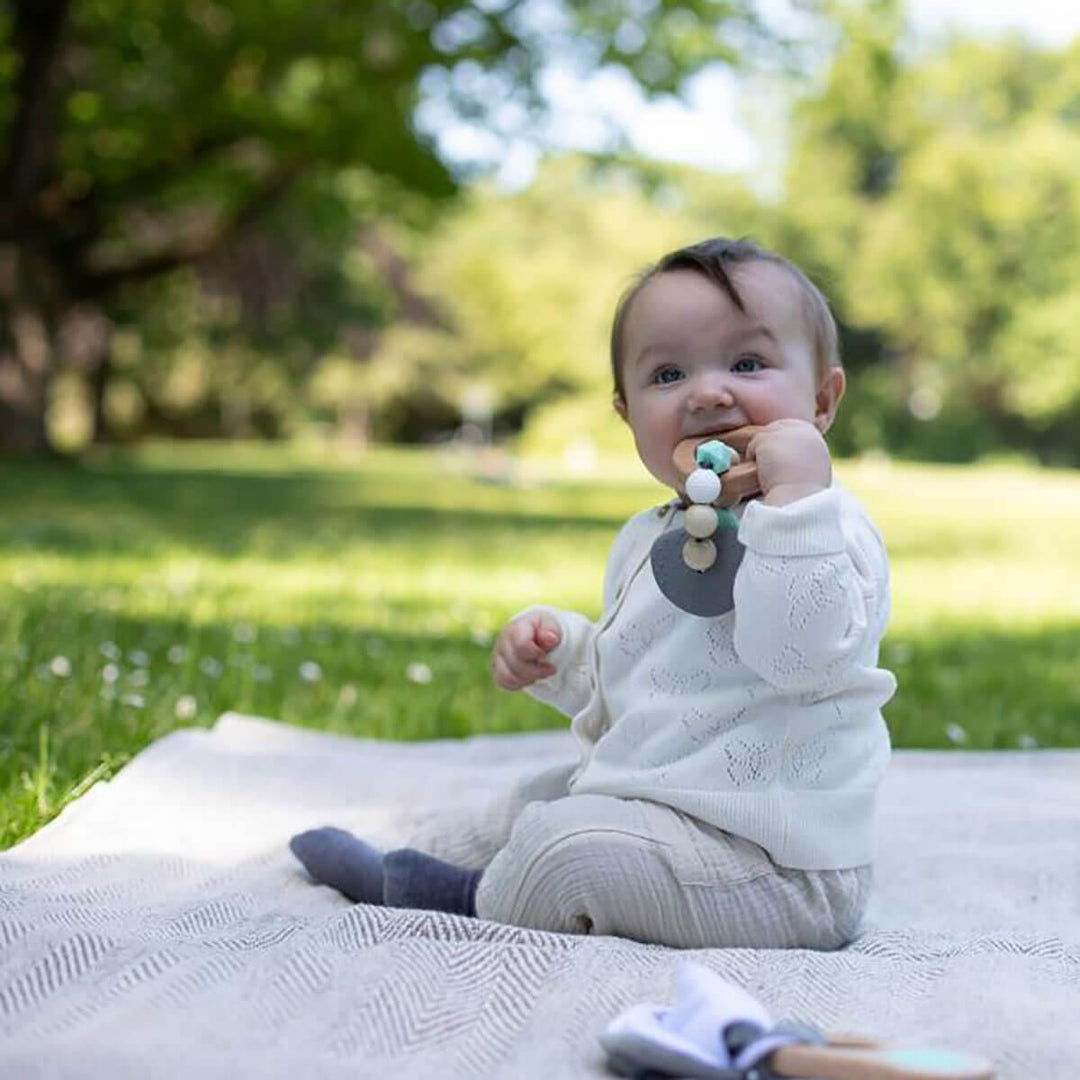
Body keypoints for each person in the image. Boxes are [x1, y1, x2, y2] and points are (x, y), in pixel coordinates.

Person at [290, 236, 897, 950]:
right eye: (668, 373)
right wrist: (566, 652)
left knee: (568, 844)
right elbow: (653, 677)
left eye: (748, 363)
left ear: (823, 400)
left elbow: (799, 655)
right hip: (671, 809)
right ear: (628, 413)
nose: (707, 391)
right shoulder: (655, 533)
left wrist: (794, 495)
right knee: (538, 797)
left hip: (776, 867)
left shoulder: (824, 527)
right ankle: (421, 855)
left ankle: (456, 898)